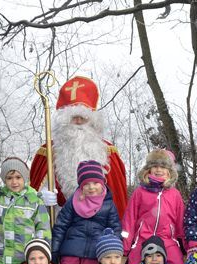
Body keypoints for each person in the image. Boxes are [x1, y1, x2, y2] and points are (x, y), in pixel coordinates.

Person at [29, 76, 128, 217]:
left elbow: (118, 199)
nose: (79, 121)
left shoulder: (108, 151)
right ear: (64, 119)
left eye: (83, 116)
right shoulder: (47, 152)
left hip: (99, 225)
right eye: (74, 117)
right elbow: (29, 194)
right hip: (60, 224)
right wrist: (40, 197)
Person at [51, 160, 121, 264]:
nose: (91, 187)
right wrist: (53, 250)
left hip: (94, 252)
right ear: (81, 185)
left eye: (95, 183)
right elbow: (61, 226)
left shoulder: (108, 204)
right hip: (71, 249)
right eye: (86, 183)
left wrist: (114, 246)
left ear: (102, 182)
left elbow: (115, 227)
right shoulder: (73, 202)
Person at [122, 149, 185, 264]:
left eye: (163, 167)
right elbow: (129, 219)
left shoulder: (175, 195)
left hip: (167, 239)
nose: (159, 170)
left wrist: (185, 247)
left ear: (169, 172)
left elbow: (180, 222)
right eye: (155, 166)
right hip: (143, 238)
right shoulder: (140, 192)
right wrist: (125, 247)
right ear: (148, 169)